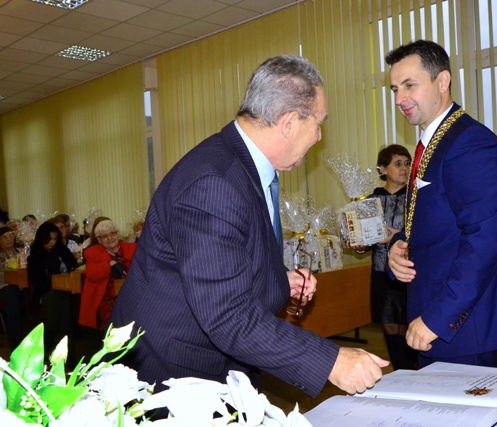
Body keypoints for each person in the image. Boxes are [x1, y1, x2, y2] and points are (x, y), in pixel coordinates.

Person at [110, 55, 388, 398]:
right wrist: (332, 361)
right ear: (289, 123)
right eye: (318, 124)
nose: (319, 136)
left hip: (213, 361)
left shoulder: (241, 165)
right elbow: (228, 316)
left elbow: (222, 260)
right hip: (175, 373)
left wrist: (276, 279)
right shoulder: (214, 183)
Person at [385, 40, 497, 368]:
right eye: (395, 89)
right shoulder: (436, 141)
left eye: (410, 85)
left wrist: (438, 318)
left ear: (442, 81)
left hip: (462, 326)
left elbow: (484, 242)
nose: (400, 99)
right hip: (439, 313)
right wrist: (398, 244)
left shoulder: (470, 144)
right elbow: (437, 219)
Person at [357, 145, 416, 370]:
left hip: (408, 272)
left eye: (407, 163)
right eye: (398, 163)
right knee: (389, 326)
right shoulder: (370, 201)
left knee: (409, 326)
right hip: (381, 273)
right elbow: (363, 241)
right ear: (382, 169)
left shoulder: (416, 199)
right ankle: (401, 372)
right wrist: (360, 244)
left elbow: (424, 234)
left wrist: (396, 237)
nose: (404, 168)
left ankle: (414, 371)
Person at [27, 221, 79, 351]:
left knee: (62, 297)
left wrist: (69, 273)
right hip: (46, 293)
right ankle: (68, 348)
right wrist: (57, 282)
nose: (52, 242)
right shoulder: (35, 257)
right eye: (49, 239)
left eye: (55, 239)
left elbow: (74, 265)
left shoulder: (62, 250)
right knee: (60, 298)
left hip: (69, 290)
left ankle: (51, 334)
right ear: (42, 239)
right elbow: (39, 285)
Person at [79, 219, 135, 330]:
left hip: (131, 293)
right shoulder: (92, 252)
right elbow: (92, 274)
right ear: (99, 240)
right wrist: (108, 264)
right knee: (114, 323)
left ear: (118, 233)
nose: (110, 238)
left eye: (112, 233)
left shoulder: (132, 248)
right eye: (104, 236)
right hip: (107, 297)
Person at [0, 226, 22, 349]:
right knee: (11, 293)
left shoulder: (20, 252)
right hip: (3, 286)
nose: (9, 239)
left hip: (20, 284)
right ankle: (15, 340)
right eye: (5, 237)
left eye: (11, 236)